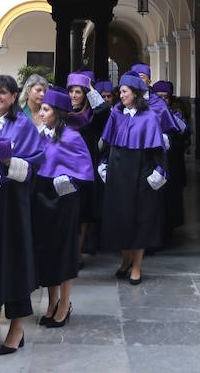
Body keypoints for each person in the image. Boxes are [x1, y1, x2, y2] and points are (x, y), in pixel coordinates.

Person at [0, 74, 45, 354]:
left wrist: (9, 160)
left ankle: (17, 327)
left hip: (13, 203)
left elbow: (34, 163)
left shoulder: (24, 125)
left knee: (13, 262)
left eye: (3, 93)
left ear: (14, 97)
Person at [33, 87, 94, 328]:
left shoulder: (72, 137)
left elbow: (84, 170)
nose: (41, 113)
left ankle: (65, 303)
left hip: (65, 200)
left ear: (57, 113)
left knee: (64, 252)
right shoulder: (40, 134)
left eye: (46, 109)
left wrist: (70, 181)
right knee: (47, 252)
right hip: (42, 197)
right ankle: (51, 302)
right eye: (41, 109)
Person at [99, 72, 166, 285]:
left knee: (140, 222)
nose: (121, 95)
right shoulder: (115, 114)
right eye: (120, 92)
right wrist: (104, 165)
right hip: (118, 175)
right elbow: (107, 144)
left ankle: (136, 265)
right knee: (121, 220)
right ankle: (125, 259)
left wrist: (158, 173)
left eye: (124, 92)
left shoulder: (150, 118)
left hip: (141, 175)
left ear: (136, 94)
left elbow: (158, 152)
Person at [66, 71, 108, 259]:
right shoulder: (63, 113)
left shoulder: (93, 117)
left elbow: (104, 110)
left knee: (83, 213)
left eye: (78, 92)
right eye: (71, 91)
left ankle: (78, 253)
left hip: (86, 169)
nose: (74, 95)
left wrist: (90, 88)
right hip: (66, 167)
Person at [151, 80, 189, 240]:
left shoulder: (176, 115)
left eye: (165, 97)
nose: (161, 101)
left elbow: (184, 132)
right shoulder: (147, 115)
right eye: (158, 97)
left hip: (172, 165)